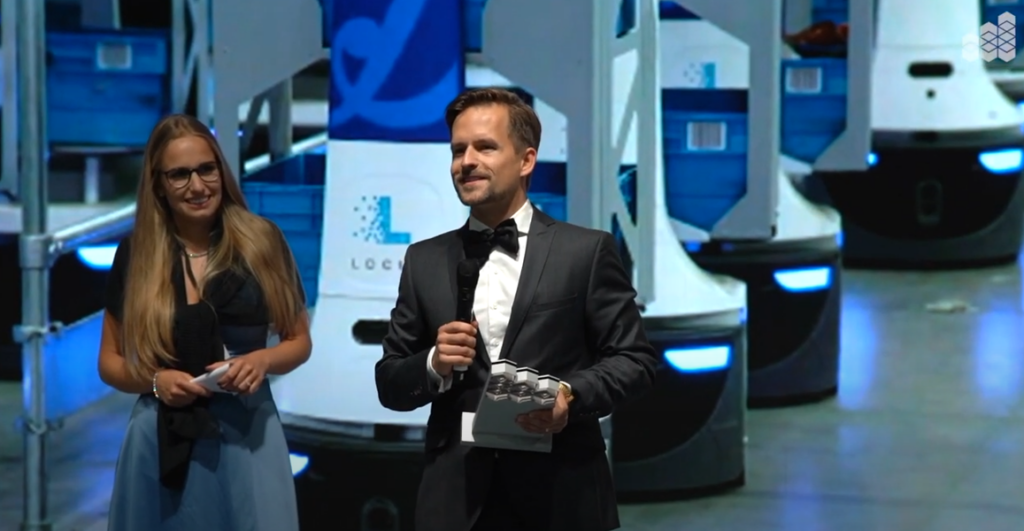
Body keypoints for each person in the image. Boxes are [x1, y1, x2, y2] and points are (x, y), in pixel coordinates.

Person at [375, 87, 659, 531]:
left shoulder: (584, 252)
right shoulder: (423, 260)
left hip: (561, 495)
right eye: (458, 150)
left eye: (485, 147)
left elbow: (635, 360)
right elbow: (390, 382)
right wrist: (433, 363)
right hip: (456, 501)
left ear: (526, 160)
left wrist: (569, 395)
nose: (466, 162)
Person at [98, 114, 312, 531]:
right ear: (159, 185)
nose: (197, 186)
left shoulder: (262, 241)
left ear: (221, 171)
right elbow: (110, 361)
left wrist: (262, 361)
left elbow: (298, 340)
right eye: (179, 175)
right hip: (159, 435)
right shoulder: (136, 255)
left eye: (206, 169)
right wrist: (156, 381)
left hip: (249, 432)